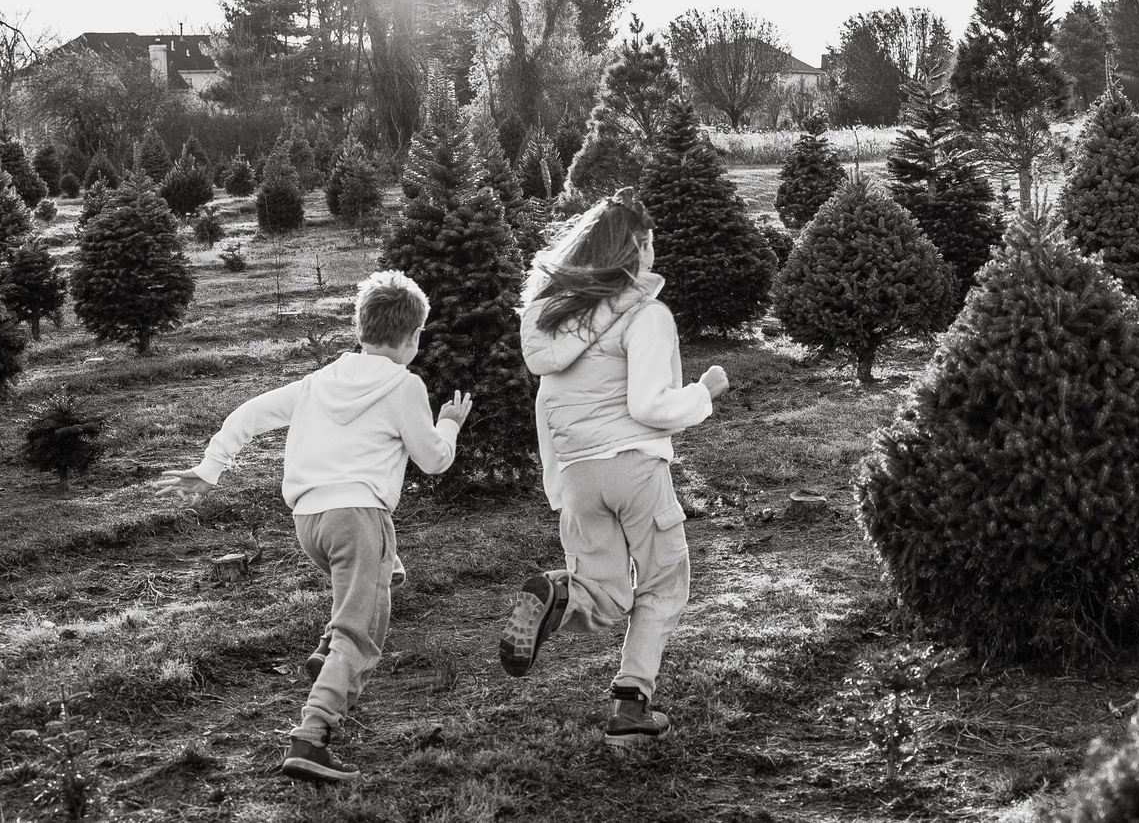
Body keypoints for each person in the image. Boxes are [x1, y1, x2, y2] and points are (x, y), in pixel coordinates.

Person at [163, 270, 471, 785]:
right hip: (359, 517)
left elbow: (251, 412)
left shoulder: (319, 381)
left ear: (359, 328)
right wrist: (450, 424)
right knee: (364, 629)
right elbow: (434, 460)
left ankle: (327, 652)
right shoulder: (404, 385)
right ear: (414, 337)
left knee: (380, 577)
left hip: (310, 523)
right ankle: (312, 734)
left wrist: (210, 466)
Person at [497, 193, 729, 749]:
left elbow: (546, 408)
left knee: (601, 594)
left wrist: (561, 477)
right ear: (636, 248)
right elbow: (649, 405)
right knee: (662, 583)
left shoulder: (557, 320)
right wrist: (702, 392)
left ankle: (557, 597)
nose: (655, 251)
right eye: (650, 242)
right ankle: (630, 704)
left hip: (578, 473)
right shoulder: (647, 314)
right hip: (635, 468)